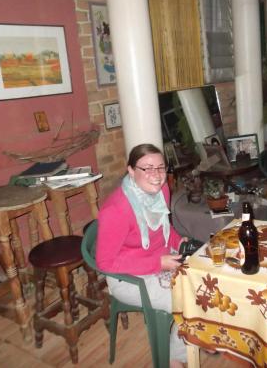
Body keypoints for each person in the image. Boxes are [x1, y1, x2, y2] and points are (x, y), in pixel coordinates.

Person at [96, 144, 186, 368]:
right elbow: (105, 263)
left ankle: (193, 337)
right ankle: (176, 359)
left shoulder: (161, 190)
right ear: (131, 171)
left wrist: (178, 242)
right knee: (190, 300)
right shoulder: (116, 210)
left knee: (207, 280)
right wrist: (157, 263)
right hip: (126, 277)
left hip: (163, 259)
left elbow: (167, 228)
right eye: (147, 168)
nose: (156, 175)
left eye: (160, 167)